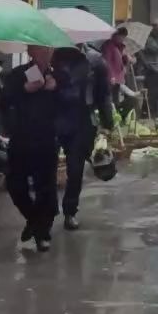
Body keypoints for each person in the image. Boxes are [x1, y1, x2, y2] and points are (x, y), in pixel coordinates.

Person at [0, 45, 66, 252]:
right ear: (31, 52)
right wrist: (24, 90)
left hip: (47, 140)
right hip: (21, 139)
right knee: (15, 184)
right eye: (40, 50)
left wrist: (57, 89)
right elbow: (3, 102)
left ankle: (42, 232)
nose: (45, 54)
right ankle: (34, 220)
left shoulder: (59, 76)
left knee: (46, 188)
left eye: (48, 50)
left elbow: (72, 104)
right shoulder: (18, 75)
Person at [52, 44, 116, 232]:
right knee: (47, 168)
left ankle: (70, 211)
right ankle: (46, 212)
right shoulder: (53, 56)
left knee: (75, 168)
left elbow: (103, 94)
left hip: (82, 120)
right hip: (54, 117)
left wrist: (107, 123)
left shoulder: (95, 60)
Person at [139, 20, 158, 117]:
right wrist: (146, 64)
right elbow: (141, 52)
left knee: (156, 93)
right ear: (154, 28)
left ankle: (153, 111)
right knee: (150, 93)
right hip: (150, 69)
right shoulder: (148, 39)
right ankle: (147, 112)